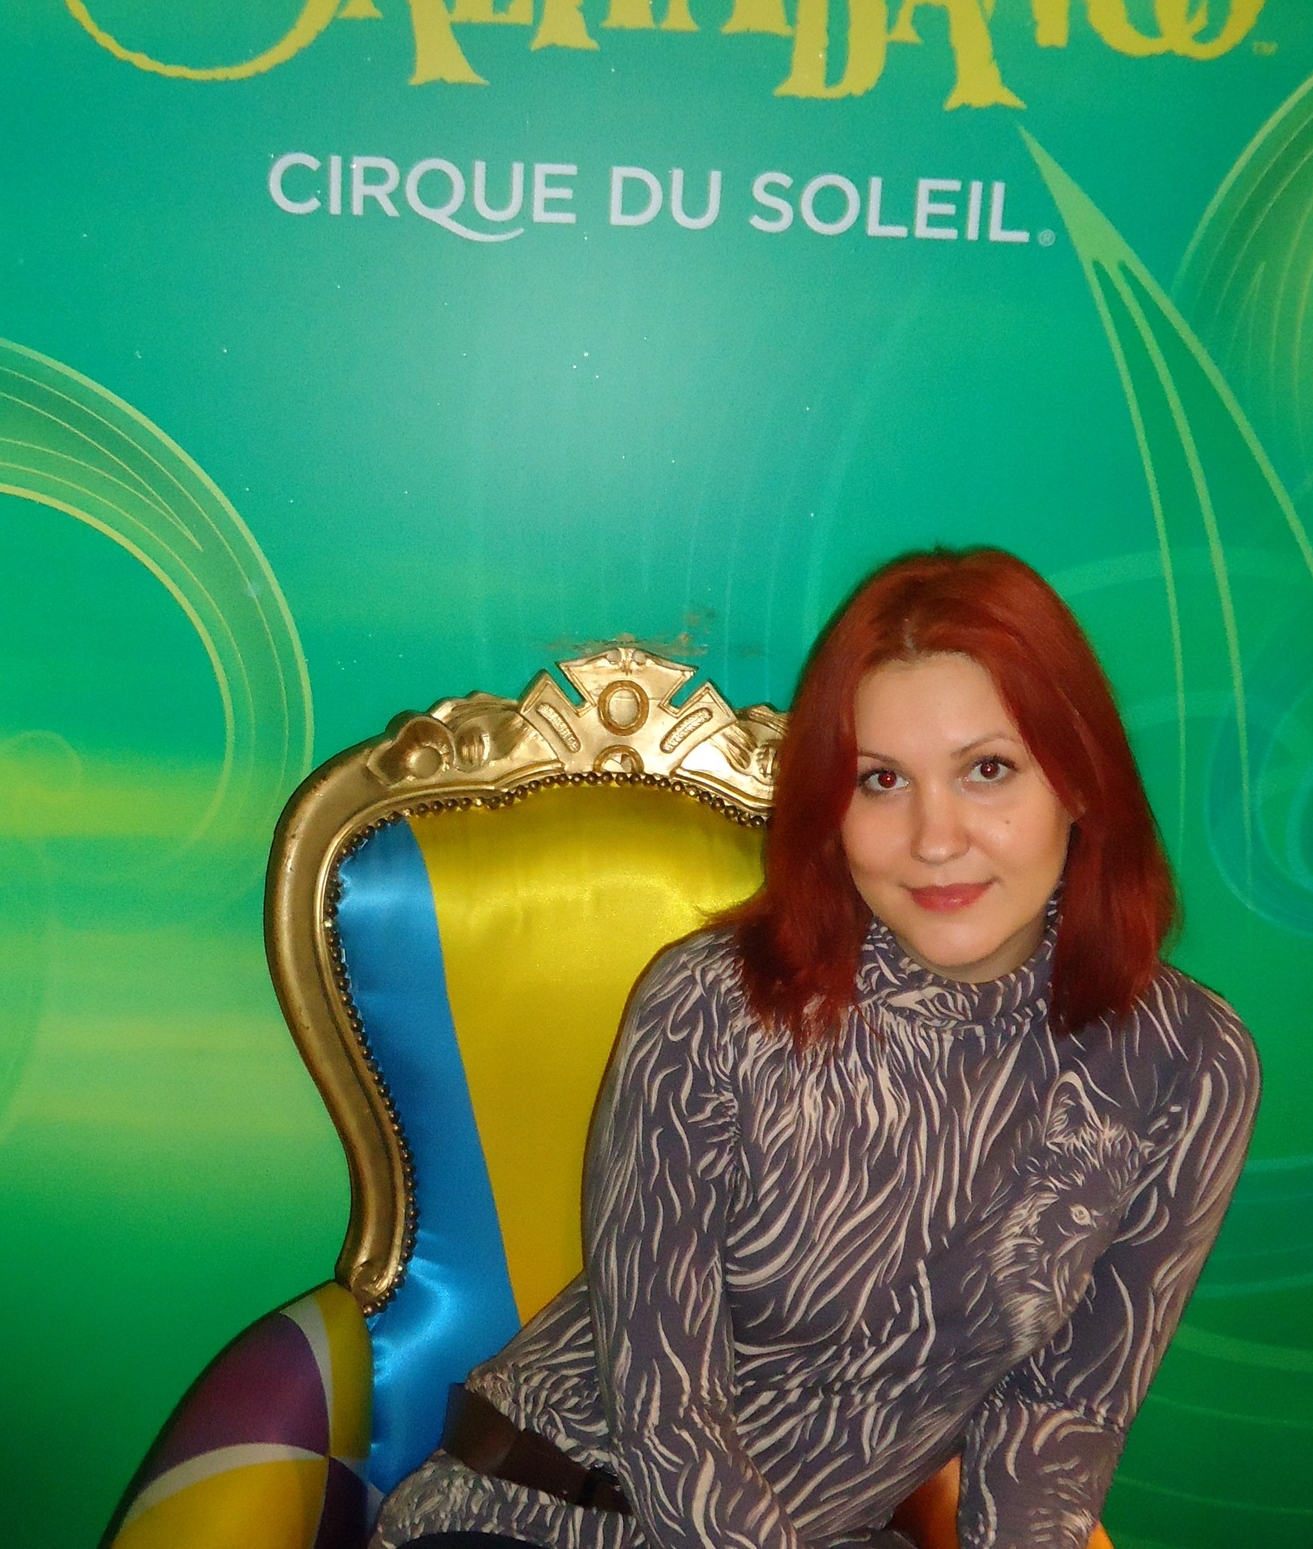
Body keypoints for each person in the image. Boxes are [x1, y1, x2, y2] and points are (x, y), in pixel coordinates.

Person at [374, 548, 1261, 1549]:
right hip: (541, 1510)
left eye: (988, 769)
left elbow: (1064, 1416)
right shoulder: (713, 1008)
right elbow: (666, 1412)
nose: (934, 837)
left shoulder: (1186, 1064)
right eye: (880, 779)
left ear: (1081, 779)